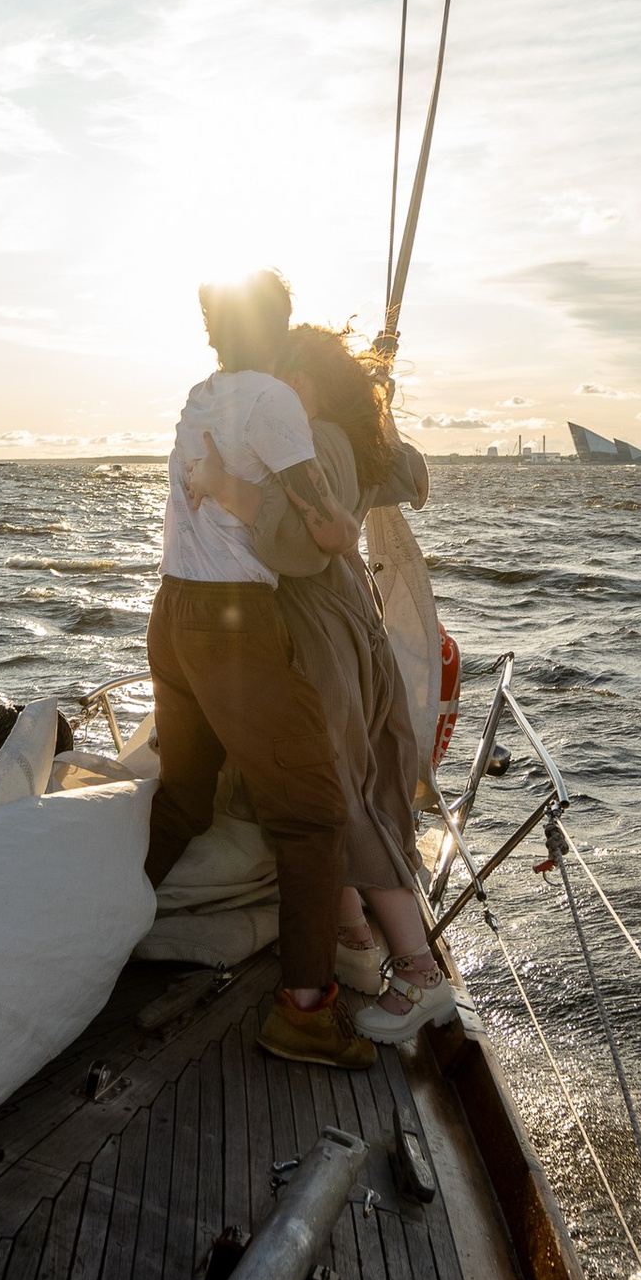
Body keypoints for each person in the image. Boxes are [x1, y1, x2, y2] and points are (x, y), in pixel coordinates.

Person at [185, 325, 454, 1046]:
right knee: (336, 785)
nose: (273, 390)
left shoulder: (320, 443)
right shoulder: (355, 440)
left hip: (318, 627)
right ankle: (352, 939)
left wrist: (217, 484)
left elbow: (294, 542)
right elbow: (416, 478)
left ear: (306, 379)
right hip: (352, 620)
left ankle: (419, 973)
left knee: (336, 790)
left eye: (283, 376)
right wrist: (381, 415)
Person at [145, 272, 376, 1070]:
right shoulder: (272, 398)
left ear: (213, 332)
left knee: (183, 794)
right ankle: (306, 1012)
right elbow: (324, 523)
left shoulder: (199, 396)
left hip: (170, 612)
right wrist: (341, 524)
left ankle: (109, 928)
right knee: (312, 814)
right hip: (231, 624)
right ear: (278, 332)